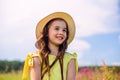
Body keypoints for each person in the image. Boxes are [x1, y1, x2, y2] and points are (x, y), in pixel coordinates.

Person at [22, 12, 78, 80]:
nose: (61, 32)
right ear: (47, 32)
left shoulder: (70, 59)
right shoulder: (37, 58)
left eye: (64, 30)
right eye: (57, 29)